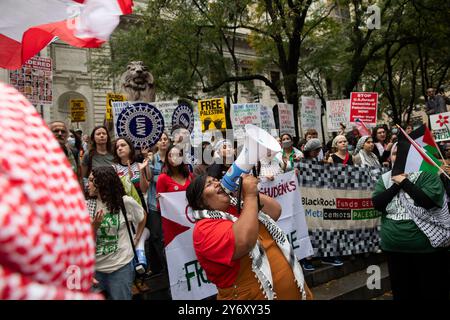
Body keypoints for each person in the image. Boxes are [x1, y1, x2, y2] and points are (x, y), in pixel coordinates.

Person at [0, 82, 100, 299]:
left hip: (69, 226)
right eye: (55, 131)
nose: (59, 134)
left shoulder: (72, 152)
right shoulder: (29, 159)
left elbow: (77, 179)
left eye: (63, 131)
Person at [186, 174, 313, 300]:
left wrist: (239, 191)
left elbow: (275, 211)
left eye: (216, 179)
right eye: (209, 184)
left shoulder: (238, 206)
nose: (217, 183)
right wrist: (250, 196)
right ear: (199, 201)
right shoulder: (203, 229)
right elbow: (244, 241)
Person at [372, 143, 450, 300]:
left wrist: (405, 183)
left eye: (403, 154)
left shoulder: (428, 175)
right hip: (394, 248)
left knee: (430, 292)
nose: (398, 157)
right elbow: (378, 204)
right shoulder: (385, 178)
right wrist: (396, 184)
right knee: (403, 292)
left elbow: (427, 201)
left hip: (426, 249)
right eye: (394, 154)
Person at [87, 166, 146, 300]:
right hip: (95, 270)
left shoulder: (124, 202)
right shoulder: (88, 205)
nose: (87, 184)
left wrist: (136, 238)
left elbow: (143, 216)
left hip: (120, 267)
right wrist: (94, 227)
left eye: (91, 180)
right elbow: (81, 240)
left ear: (101, 183)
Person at [141, 132, 170, 274]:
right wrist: (146, 159)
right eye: (160, 140)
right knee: (156, 236)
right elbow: (149, 177)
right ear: (156, 143)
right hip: (155, 205)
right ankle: (160, 266)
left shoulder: (173, 158)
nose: (163, 142)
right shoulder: (152, 159)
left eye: (165, 139)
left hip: (171, 205)